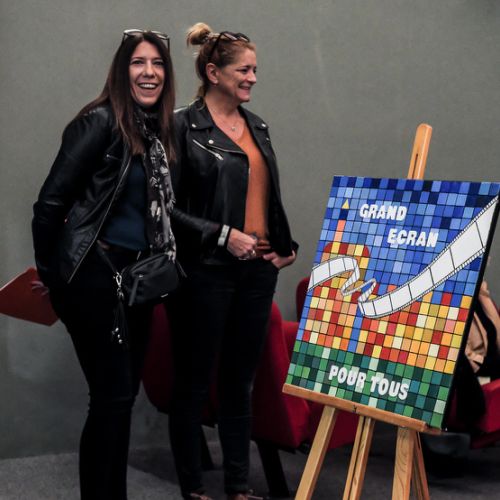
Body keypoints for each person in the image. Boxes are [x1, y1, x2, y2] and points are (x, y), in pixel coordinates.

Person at [32, 29, 176, 500]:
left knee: (121, 400)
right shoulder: (97, 123)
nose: (149, 72)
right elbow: (49, 206)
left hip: (136, 282)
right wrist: (56, 279)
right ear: (121, 70)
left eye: (157, 63)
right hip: (95, 278)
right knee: (111, 398)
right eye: (138, 62)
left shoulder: (153, 132)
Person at [168, 22, 297, 500]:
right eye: (244, 70)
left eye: (255, 70)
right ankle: (193, 488)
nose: (253, 78)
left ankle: (239, 488)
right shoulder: (181, 126)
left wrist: (284, 243)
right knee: (194, 382)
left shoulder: (257, 126)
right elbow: (165, 208)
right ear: (213, 72)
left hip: (256, 272)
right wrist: (223, 236)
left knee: (241, 383)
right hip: (204, 271)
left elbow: (268, 195)